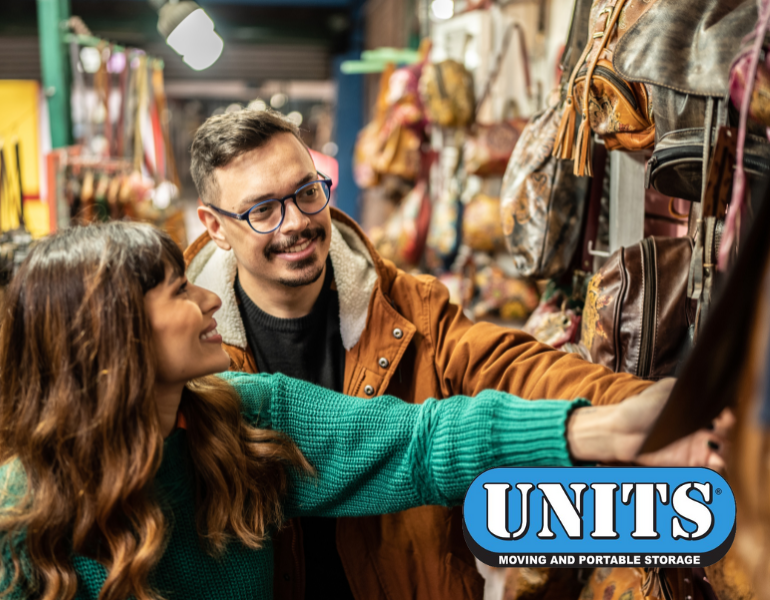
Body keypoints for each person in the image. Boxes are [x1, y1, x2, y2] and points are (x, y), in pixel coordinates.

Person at [0, 222, 725, 600]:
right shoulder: (22, 517)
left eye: (310, 191)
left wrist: (615, 425)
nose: (208, 299)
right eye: (177, 292)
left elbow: (422, 440)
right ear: (114, 335)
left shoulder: (242, 417)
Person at [186, 109, 716, 599]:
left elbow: (513, 368)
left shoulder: (406, 310)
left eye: (307, 192)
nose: (297, 222)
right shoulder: (193, 361)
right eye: (263, 210)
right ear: (215, 227)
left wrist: (658, 412)